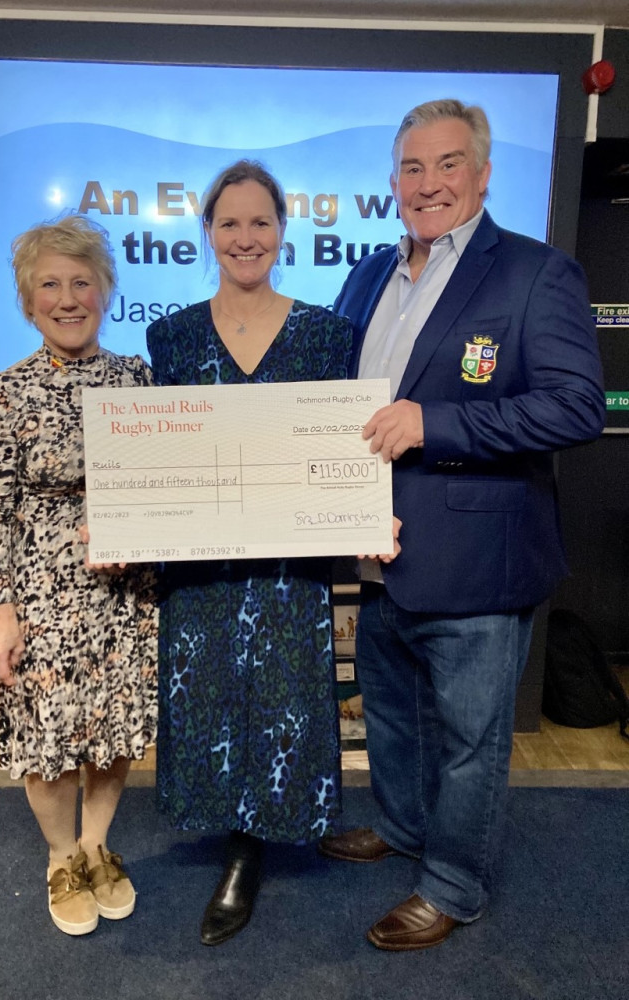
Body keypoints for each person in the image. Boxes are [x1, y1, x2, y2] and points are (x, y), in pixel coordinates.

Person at [319, 99, 606, 951]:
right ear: (393, 183)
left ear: (483, 175)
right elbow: (337, 401)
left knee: (471, 742)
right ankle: (406, 831)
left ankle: (452, 882)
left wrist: (434, 424)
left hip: (480, 564)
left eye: (449, 164)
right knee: (396, 719)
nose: (429, 182)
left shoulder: (534, 273)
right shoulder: (369, 274)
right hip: (378, 552)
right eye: (412, 167)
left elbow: (575, 406)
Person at [145, 160, 354, 946]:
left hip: (286, 569)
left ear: (283, 232)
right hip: (199, 572)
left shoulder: (329, 336)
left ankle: (259, 840)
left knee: (284, 698)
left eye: (259, 222)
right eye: (229, 223)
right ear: (207, 234)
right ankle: (232, 829)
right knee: (208, 701)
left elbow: (341, 450)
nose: (245, 237)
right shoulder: (168, 337)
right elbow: (156, 458)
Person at [0, 213, 158, 937]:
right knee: (47, 740)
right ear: (27, 300)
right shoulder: (3, 394)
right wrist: (1, 614)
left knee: (112, 732)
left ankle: (96, 846)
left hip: (123, 590)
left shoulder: (136, 378)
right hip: (39, 594)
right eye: (51, 284)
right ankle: (58, 858)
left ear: (106, 292)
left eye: (82, 282)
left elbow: (161, 480)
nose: (68, 297)